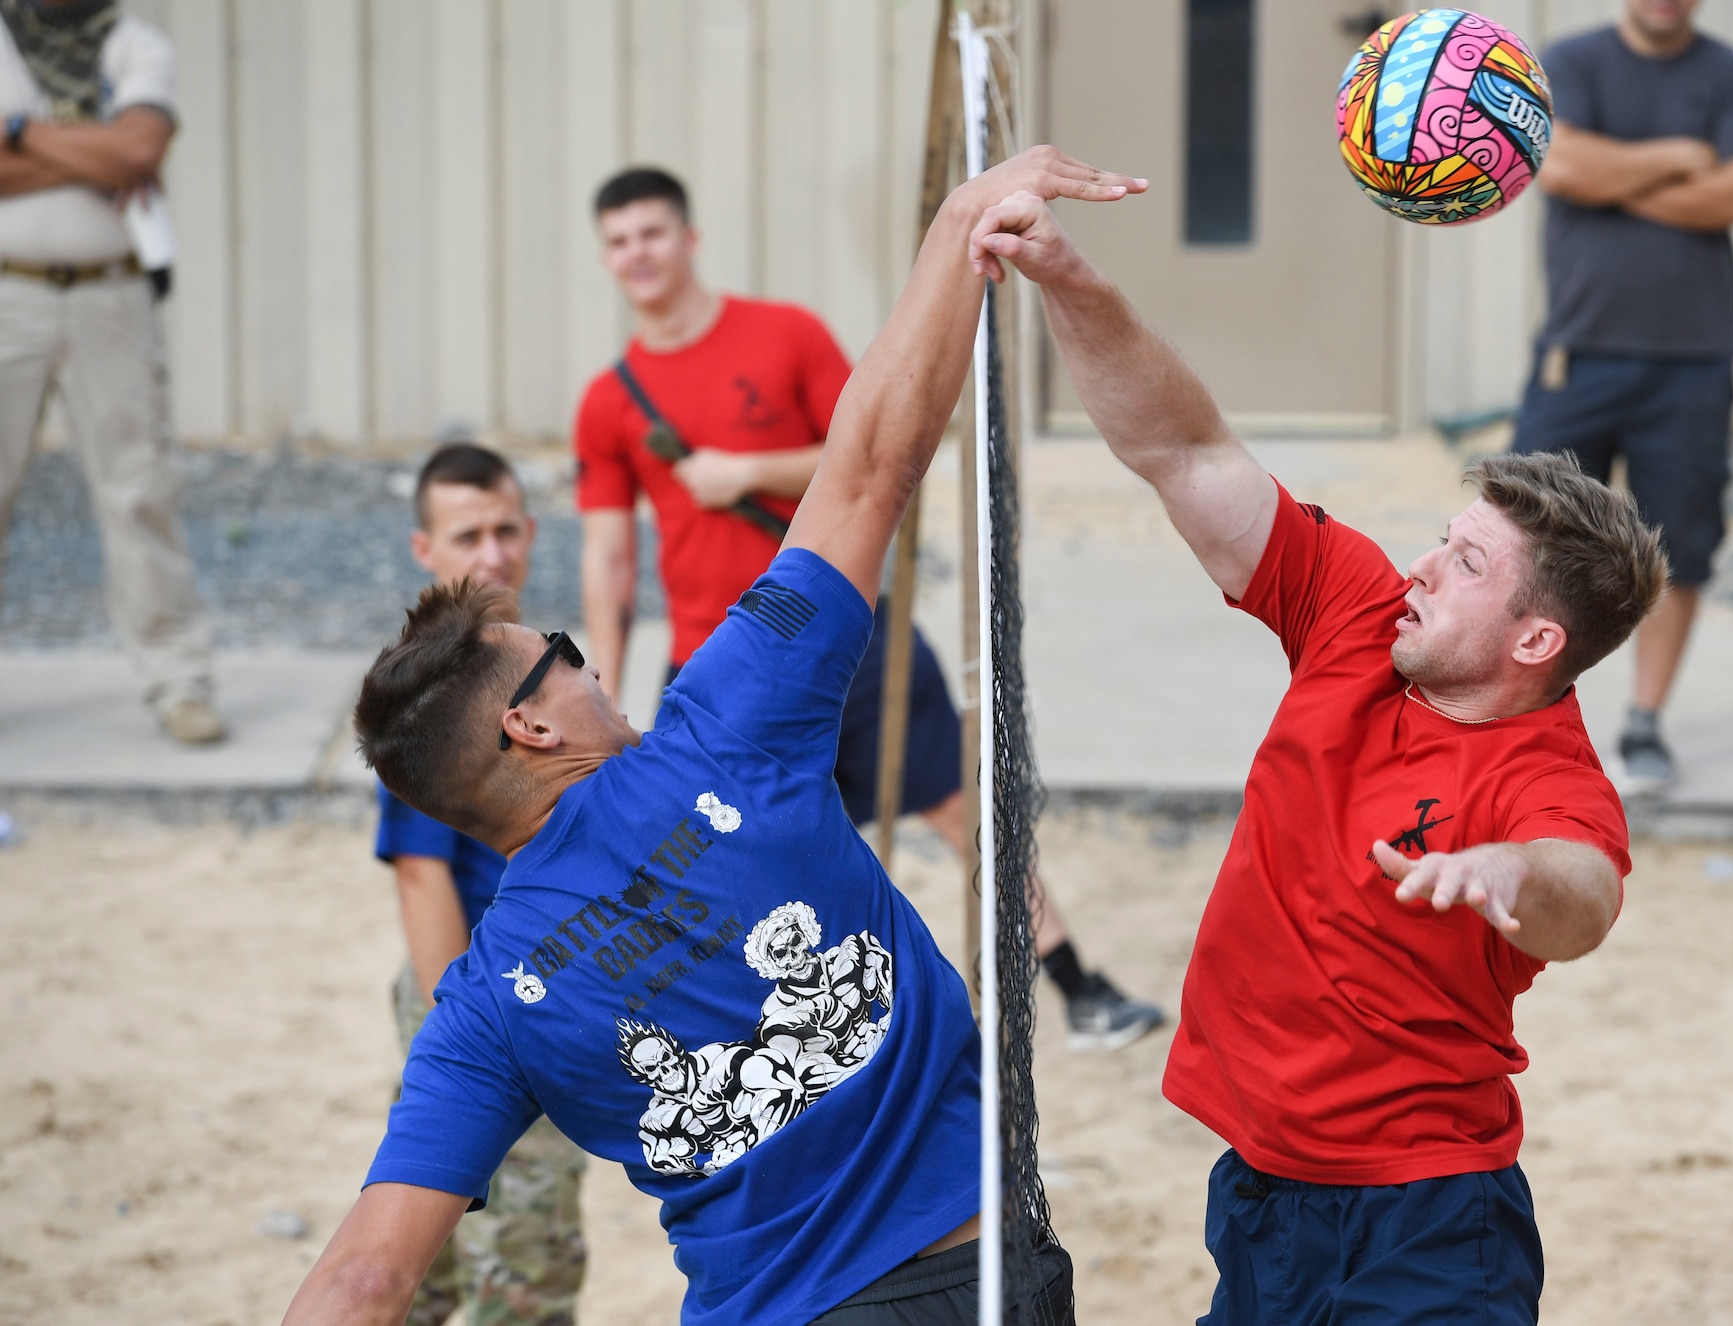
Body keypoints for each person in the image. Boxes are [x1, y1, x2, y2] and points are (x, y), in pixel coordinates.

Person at [280, 145, 1142, 1326]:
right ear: (531, 725)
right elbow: (873, 465)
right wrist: (954, 229)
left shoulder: (477, 1012)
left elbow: (365, 1278)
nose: (594, 666)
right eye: (566, 655)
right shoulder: (723, 729)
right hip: (974, 1278)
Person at [965, 188, 1668, 1319]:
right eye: (1445, 539)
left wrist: (1508, 875)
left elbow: (1583, 894)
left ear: (1535, 641)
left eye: (1467, 565)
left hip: (1432, 1219)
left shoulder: (1546, 777)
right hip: (1261, 1192)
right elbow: (1181, 448)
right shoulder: (1359, 617)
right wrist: (1070, 281)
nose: (1425, 567)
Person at [573, 166, 1162, 1050]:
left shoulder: (785, 336)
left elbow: (875, 448)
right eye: (619, 242)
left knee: (960, 812)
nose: (638, 254)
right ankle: (797, 1039)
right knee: (737, 862)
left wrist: (746, 472)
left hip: (850, 631)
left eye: (652, 233)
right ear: (606, 259)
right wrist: (607, 688)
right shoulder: (609, 401)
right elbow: (608, 557)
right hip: (716, 663)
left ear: (688, 239)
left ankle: (1079, 987)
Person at [1513, 0, 1733, 791]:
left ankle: (1643, 726)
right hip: (1577, 353)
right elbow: (1559, 168)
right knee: (1532, 541)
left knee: (1680, 547)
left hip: (1692, 362)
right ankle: (1528, 719)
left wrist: (1613, 177)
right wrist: (1682, 156)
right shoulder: (1571, 63)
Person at [376, 442, 590, 1326]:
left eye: (507, 529)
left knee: (439, 1244)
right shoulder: (441, 690)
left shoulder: (524, 659)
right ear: (426, 550)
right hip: (480, 996)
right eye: (469, 535)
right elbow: (423, 877)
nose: (493, 553)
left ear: (533, 534)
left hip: (523, 988)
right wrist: (470, 1038)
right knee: (526, 1261)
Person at [0, 0, 224, 744]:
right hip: (12, 290)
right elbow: (115, 151)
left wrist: (21, 132)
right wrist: (94, 146)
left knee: (139, 491)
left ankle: (178, 680)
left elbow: (138, 152)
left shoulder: (133, 44)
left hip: (113, 295)